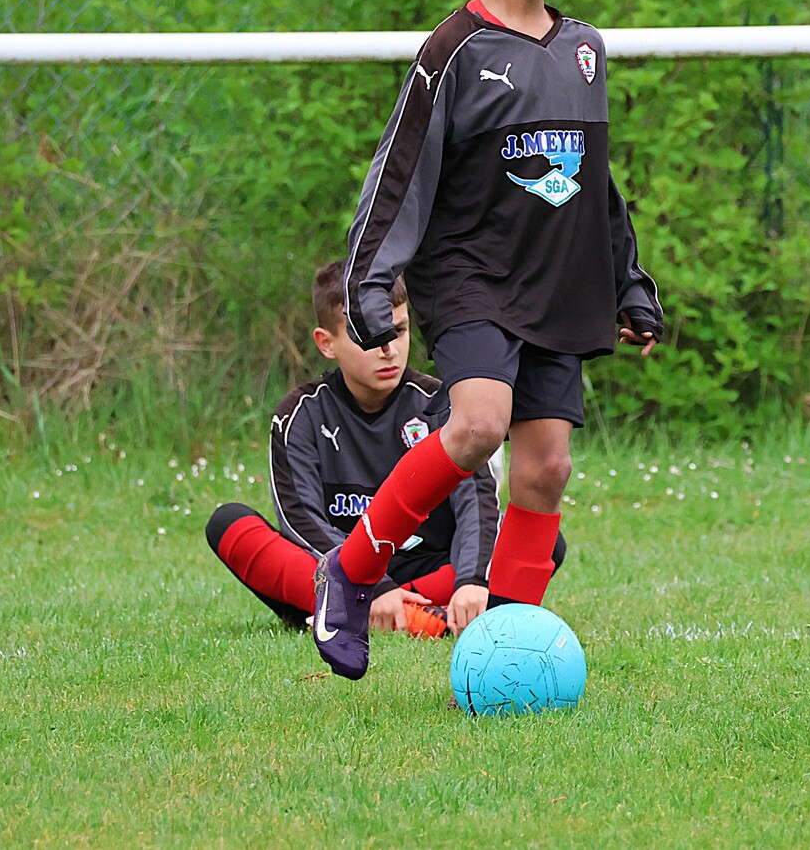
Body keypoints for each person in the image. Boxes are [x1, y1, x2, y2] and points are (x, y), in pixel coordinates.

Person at [312, 0, 664, 680]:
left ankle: (501, 658)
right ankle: (349, 573)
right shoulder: (454, 52)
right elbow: (397, 176)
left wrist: (628, 281)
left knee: (546, 469)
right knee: (475, 424)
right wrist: (367, 282)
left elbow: (596, 183)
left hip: (560, 283)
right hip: (471, 275)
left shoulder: (584, 48)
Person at [205, 260, 565, 640]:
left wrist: (472, 579)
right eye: (368, 335)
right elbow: (300, 521)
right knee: (229, 523)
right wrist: (369, 584)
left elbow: (475, 501)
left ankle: (357, 612)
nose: (388, 349)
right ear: (326, 343)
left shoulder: (445, 404)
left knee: (540, 544)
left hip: (430, 569)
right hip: (345, 571)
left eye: (399, 330)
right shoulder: (300, 413)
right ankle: (407, 614)